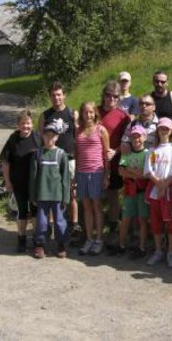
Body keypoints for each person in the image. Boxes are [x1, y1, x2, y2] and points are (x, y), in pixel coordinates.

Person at [38, 82, 80, 236]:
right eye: (53, 95)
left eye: (59, 94)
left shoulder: (72, 113)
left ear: (64, 95)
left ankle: (74, 224)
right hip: (51, 160)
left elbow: (78, 137)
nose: (56, 98)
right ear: (50, 97)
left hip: (69, 158)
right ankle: (50, 225)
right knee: (51, 192)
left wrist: (78, 157)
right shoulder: (45, 116)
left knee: (71, 192)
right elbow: (41, 138)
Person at [144, 117, 172, 267]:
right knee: (156, 222)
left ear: (171, 131)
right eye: (161, 128)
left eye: (166, 129)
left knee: (171, 222)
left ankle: (171, 251)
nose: (163, 131)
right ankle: (158, 250)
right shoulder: (152, 150)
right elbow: (149, 170)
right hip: (156, 191)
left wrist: (164, 185)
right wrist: (159, 185)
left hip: (169, 191)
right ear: (157, 130)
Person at [0, 110, 40, 252]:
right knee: (22, 211)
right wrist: (8, 182)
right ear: (18, 125)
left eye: (28, 123)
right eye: (22, 123)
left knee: (36, 210)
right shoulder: (13, 139)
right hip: (18, 182)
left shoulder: (38, 138)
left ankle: (37, 239)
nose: (25, 126)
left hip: (35, 183)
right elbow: (5, 162)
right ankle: (21, 238)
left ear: (32, 124)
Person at [29, 120, 71, 259]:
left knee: (59, 221)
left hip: (57, 196)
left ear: (57, 137)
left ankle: (61, 244)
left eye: (53, 135)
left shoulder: (61, 154)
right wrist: (33, 195)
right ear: (43, 136)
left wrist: (66, 197)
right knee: (41, 221)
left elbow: (65, 178)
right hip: (42, 194)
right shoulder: (38, 153)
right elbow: (33, 176)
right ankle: (40, 244)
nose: (49, 138)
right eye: (47, 135)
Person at [75, 101, 111, 256]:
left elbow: (106, 154)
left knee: (97, 206)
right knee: (86, 207)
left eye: (91, 112)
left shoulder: (101, 130)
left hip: (97, 172)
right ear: (82, 114)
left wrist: (106, 175)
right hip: (82, 173)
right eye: (85, 112)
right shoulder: (78, 131)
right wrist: (75, 174)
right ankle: (89, 238)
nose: (88, 115)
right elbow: (77, 154)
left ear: (95, 113)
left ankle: (99, 239)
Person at [98, 81, 131, 247]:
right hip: (93, 161)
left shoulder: (123, 116)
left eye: (115, 96)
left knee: (113, 196)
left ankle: (112, 228)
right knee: (92, 197)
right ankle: (90, 230)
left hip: (114, 162)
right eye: (108, 95)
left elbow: (127, 140)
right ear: (103, 95)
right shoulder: (94, 112)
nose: (111, 99)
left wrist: (116, 150)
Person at [114, 125, 150, 259]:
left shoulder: (147, 154)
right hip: (129, 191)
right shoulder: (126, 153)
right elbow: (120, 171)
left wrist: (129, 171)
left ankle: (142, 247)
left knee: (142, 219)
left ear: (144, 137)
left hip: (142, 191)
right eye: (134, 136)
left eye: (139, 136)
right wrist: (136, 173)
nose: (136, 139)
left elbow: (146, 174)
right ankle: (121, 245)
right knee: (126, 219)